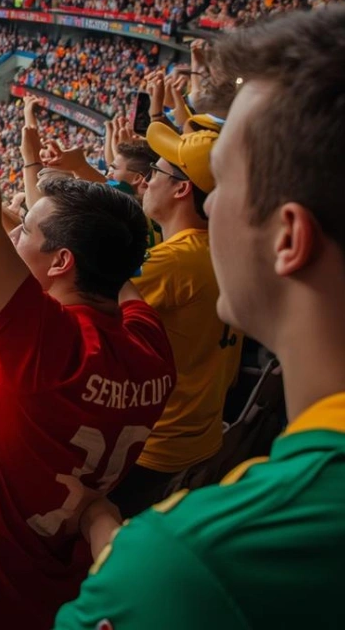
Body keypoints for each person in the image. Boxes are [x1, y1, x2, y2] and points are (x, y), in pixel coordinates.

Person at [57, 4, 345, 629]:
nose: (210, 215)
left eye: (225, 186)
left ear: (287, 238)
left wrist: (106, 527)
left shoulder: (183, 561)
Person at [0, 0, 175, 630]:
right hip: (53, 595)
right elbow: (115, 260)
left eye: (26, 229)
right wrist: (85, 186)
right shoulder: (148, 346)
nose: (14, 228)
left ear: (60, 264)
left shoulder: (44, 345)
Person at [108, 124, 237, 517]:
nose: (146, 183)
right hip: (202, 435)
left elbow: (78, 298)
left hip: (154, 447)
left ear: (182, 189)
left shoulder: (174, 262)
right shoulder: (222, 248)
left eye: (157, 174)